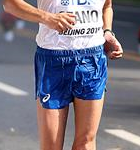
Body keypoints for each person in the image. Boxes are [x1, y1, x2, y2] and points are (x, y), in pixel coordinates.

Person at [3, 0, 123, 150]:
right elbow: (10, 4)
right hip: (53, 59)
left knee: (85, 143)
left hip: (92, 59)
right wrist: (47, 18)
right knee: (51, 146)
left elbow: (107, 5)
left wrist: (107, 31)